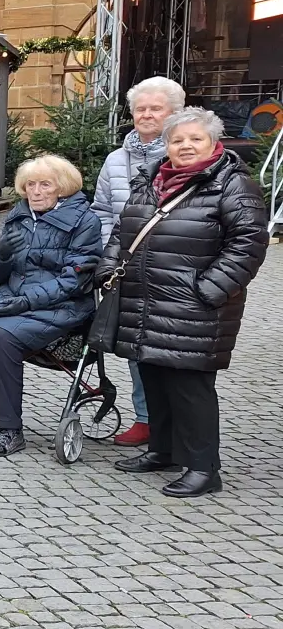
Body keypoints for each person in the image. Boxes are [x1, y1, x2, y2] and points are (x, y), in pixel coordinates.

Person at [106, 107, 267, 497]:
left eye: (195, 138)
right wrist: (107, 267)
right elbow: (122, 230)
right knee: (155, 378)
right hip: (144, 300)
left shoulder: (231, 184)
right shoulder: (152, 179)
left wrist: (208, 290)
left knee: (189, 386)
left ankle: (203, 468)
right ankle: (162, 449)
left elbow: (248, 244)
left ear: (214, 142)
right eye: (178, 140)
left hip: (193, 307)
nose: (186, 146)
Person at [0, 156, 102, 457]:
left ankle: (10, 429)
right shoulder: (20, 214)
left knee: (2, 337)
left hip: (62, 305)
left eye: (44, 185)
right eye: (29, 185)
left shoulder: (85, 221)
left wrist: (27, 300)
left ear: (62, 188)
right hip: (13, 299)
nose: (35, 192)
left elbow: (74, 281)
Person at [91, 76, 184, 448]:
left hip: (171, 270)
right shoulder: (116, 159)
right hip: (126, 270)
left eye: (155, 108)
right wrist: (106, 258)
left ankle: (176, 426)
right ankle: (145, 419)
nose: (146, 115)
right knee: (134, 346)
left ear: (174, 112)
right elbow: (100, 211)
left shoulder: (183, 154)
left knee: (174, 349)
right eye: (140, 109)